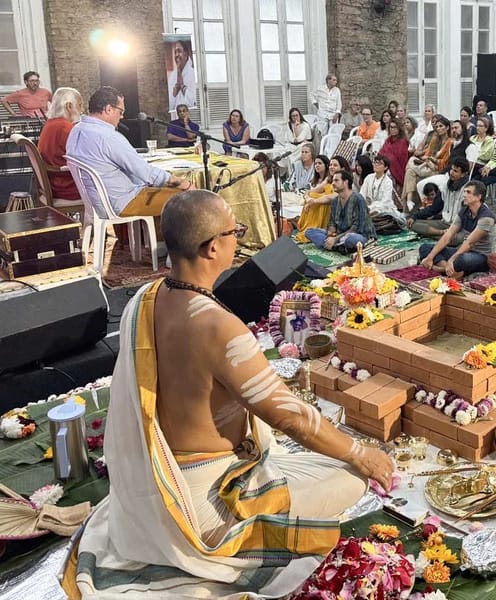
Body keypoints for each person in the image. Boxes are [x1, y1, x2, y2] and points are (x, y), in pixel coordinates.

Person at [63, 190, 393, 598]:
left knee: (298, 456)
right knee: (351, 478)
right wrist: (363, 454)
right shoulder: (218, 327)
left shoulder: (142, 302)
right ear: (212, 247)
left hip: (156, 489)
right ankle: (234, 536)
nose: (240, 237)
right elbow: (288, 416)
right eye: (235, 230)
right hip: (206, 500)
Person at [65, 86, 193, 217]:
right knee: (187, 199)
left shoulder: (76, 130)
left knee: (162, 190)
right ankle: (158, 237)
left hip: (97, 204)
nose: (122, 116)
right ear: (108, 109)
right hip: (122, 203)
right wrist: (183, 183)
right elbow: (146, 173)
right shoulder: (108, 137)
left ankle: (145, 237)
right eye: (120, 111)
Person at [419, 180, 494, 279]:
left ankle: (442, 269)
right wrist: (430, 257)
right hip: (463, 250)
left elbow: (469, 243)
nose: (464, 195)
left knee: (461, 260)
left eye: (468, 192)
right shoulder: (464, 211)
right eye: (464, 191)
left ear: (478, 197)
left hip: (480, 256)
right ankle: (452, 271)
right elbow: (448, 235)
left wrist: (452, 259)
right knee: (425, 248)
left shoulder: (486, 217)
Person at [305, 170, 376, 252]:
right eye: (332, 181)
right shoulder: (335, 201)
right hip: (339, 234)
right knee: (309, 232)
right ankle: (338, 246)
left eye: (336, 180)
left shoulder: (358, 199)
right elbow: (332, 222)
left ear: (345, 182)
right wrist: (330, 235)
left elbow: (357, 228)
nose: (332, 183)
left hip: (360, 235)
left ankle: (335, 245)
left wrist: (335, 239)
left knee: (350, 239)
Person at [37, 87, 83, 201]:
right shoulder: (64, 127)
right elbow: (85, 159)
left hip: (55, 183)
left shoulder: (51, 124)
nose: (82, 110)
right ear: (69, 106)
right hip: (68, 187)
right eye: (80, 105)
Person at [407, 157, 470, 239]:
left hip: (459, 227)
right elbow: (434, 209)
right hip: (444, 224)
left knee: (457, 239)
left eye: (455, 171)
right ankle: (441, 234)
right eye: (451, 169)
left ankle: (437, 235)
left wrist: (454, 228)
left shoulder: (469, 189)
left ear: (463, 174)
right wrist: (414, 216)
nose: (451, 173)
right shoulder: (445, 186)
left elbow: (467, 216)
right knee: (412, 224)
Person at [294, 154, 344, 243]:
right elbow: (309, 192)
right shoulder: (328, 180)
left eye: (335, 165)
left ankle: (318, 229)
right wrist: (308, 199)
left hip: (336, 213)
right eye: (331, 165)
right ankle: (310, 228)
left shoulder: (344, 182)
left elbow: (331, 197)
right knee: (314, 195)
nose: (332, 167)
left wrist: (313, 201)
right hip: (322, 206)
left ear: (342, 168)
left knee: (320, 200)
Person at [361, 155, 404, 230]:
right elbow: (362, 195)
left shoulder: (388, 181)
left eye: (379, 163)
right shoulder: (368, 178)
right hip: (368, 208)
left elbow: (385, 201)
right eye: (375, 162)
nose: (376, 165)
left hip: (383, 208)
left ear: (385, 167)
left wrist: (371, 208)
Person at [380, 118, 409, 187]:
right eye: (391, 127)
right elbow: (382, 151)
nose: (392, 129)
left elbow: (401, 157)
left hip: (397, 167)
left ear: (399, 128)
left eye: (395, 127)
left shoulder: (403, 141)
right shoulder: (388, 140)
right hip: (385, 163)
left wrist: (387, 158)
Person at [167, 41, 196, 111]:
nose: (176, 55)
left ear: (186, 54)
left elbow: (194, 102)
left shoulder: (193, 73)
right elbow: (170, 105)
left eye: (179, 51)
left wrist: (182, 87)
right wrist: (174, 93)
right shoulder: (172, 76)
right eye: (175, 52)